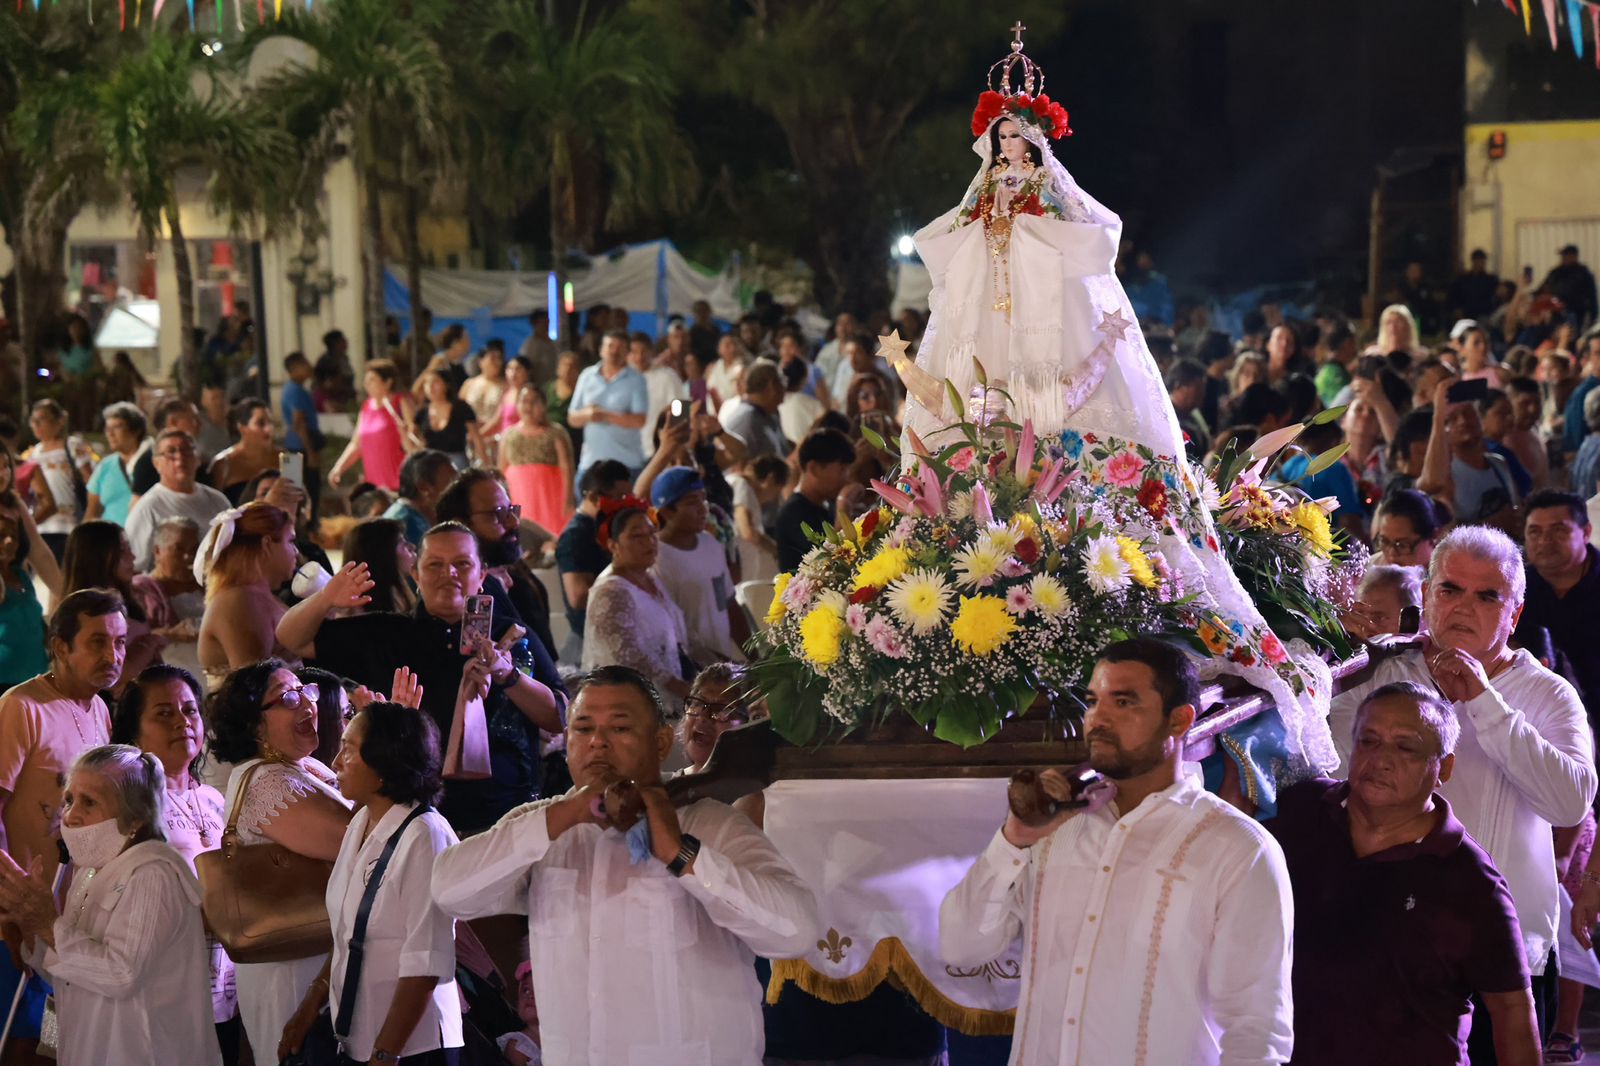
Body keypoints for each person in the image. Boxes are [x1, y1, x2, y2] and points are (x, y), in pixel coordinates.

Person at [430, 666, 818, 1065]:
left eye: (618, 728)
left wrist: (683, 856)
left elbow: (797, 932)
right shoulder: (543, 826)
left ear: (662, 742)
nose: (597, 742)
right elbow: (448, 890)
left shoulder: (708, 823)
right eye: (583, 729)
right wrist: (560, 818)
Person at [939, 637, 1294, 1065]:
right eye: (1093, 701)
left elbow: (1256, 1031)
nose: (1099, 719)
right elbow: (961, 948)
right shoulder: (1054, 828)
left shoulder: (1237, 848)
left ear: (1179, 721)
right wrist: (1013, 839)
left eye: (1124, 703)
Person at [1331, 526, 1597, 1053]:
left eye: (1488, 596)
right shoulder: (1376, 677)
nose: (1463, 607)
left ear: (1515, 614)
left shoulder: (1548, 694)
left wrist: (1484, 701)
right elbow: (1322, 767)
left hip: (1505, 956)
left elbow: (1571, 802)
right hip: (1381, 943)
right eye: (1450, 589)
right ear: (1427, 596)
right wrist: (1331, 659)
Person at [1270, 682, 1539, 1066]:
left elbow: (1512, 1010)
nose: (1380, 759)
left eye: (1405, 747)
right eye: (1369, 741)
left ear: (1443, 767)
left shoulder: (1471, 880)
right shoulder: (1300, 813)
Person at [275, 523, 566, 835]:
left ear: (482, 575)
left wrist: (509, 677)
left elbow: (557, 717)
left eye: (462, 564)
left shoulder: (511, 635)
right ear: (416, 575)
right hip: (414, 823)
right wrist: (327, 597)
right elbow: (291, 638)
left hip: (507, 818)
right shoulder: (389, 634)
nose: (448, 573)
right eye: (435, 565)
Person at [0, 744, 224, 1065]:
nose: (71, 815)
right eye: (69, 800)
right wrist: (28, 934)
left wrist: (48, 923)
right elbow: (73, 972)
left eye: (89, 802)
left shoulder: (153, 874)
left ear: (135, 818)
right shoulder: (90, 871)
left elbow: (120, 975)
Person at [279, 701, 464, 1066]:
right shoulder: (364, 821)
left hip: (413, 1046)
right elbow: (350, 933)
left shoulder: (425, 836)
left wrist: (385, 1052)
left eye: (348, 750)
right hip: (359, 1035)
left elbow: (425, 962)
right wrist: (309, 1008)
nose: (335, 763)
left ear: (383, 764)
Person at [208, 660, 353, 1060]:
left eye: (305, 691)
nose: (307, 704)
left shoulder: (304, 767)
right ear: (255, 724)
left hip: (319, 954)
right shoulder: (267, 780)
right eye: (288, 698)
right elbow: (357, 840)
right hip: (291, 962)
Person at [112, 664, 239, 1059]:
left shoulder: (216, 801)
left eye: (190, 710)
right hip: (163, 997)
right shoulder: (126, 811)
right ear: (134, 732)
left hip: (226, 997)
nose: (182, 722)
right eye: (163, 713)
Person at [580, 501, 694, 718]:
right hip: (631, 706)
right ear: (613, 545)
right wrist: (681, 688)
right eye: (636, 536)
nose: (649, 542)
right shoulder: (611, 590)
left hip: (666, 701)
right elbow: (630, 656)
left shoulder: (650, 579)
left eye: (651, 533)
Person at [433, 469, 561, 661]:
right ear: (461, 525)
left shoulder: (514, 569)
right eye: (497, 514)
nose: (513, 522)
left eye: (511, 511)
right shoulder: (459, 594)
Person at [652, 467, 749, 664]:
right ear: (667, 511)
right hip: (688, 672)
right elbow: (672, 632)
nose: (703, 508)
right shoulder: (656, 559)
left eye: (702, 498)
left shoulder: (710, 543)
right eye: (691, 502)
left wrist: (754, 657)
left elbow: (728, 603)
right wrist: (720, 665)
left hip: (723, 666)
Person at [1518, 492, 1600, 725]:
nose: (1544, 541)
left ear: (1586, 533)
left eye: (1559, 530)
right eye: (1535, 532)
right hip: (1541, 718)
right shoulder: (1515, 590)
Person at [197, 502, 301, 680]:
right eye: (290, 541)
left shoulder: (255, 595)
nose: (296, 552)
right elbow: (255, 684)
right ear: (267, 544)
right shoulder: (240, 601)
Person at [60, 521, 164, 693]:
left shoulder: (128, 598)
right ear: (97, 557)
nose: (133, 557)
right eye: (122, 552)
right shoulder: (85, 612)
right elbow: (115, 674)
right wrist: (151, 643)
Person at [1418, 377, 1525, 534]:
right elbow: (1442, 533)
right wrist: (1489, 525)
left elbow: (1517, 511)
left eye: (1468, 413)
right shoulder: (1446, 475)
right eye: (1452, 419)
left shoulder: (1499, 464)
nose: (1463, 421)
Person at [125, 429, 233, 572]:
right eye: (171, 452)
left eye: (186, 450)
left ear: (197, 459)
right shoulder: (148, 507)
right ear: (156, 463)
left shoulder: (217, 500)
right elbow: (133, 567)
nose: (179, 457)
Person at [0, 448, 62, 690]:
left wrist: (69, 596)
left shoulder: (14, 502)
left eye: (5, 466)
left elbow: (40, 552)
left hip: (20, 585)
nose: (2, 473)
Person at [555, 459, 632, 642]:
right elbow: (579, 597)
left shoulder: (604, 527)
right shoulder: (575, 536)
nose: (627, 506)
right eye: (620, 498)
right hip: (592, 639)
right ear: (594, 497)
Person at [568, 329, 648, 482]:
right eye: (610, 346)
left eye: (620, 348)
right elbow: (572, 417)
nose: (614, 352)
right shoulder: (587, 376)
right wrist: (588, 415)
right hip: (591, 463)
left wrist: (604, 415)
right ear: (601, 350)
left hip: (627, 463)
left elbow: (640, 420)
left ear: (627, 352)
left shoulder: (640, 379)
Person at [500, 384, 575, 539]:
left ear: (543, 405)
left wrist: (568, 500)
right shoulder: (509, 434)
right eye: (524, 401)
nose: (528, 406)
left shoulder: (556, 432)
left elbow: (567, 467)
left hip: (549, 497)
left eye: (534, 401)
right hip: (519, 495)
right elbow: (501, 468)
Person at [25, 398, 95, 561]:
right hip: (42, 527)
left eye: (41, 419)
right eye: (33, 420)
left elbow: (91, 482)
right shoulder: (33, 454)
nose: (36, 425)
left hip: (69, 525)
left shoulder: (72, 446)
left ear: (59, 422)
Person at [775, 429, 854, 572]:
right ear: (814, 468)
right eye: (842, 469)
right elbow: (833, 559)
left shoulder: (826, 504)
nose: (847, 478)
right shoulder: (794, 512)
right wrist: (844, 502)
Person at [330, 359, 412, 493]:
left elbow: (412, 438)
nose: (366, 384)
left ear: (388, 382)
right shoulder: (366, 407)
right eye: (366, 380)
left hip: (398, 483)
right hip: (374, 486)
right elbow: (356, 444)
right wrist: (339, 468)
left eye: (372, 380)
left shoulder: (399, 403)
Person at [130, 515, 205, 633]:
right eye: (179, 549)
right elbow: (133, 637)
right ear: (157, 551)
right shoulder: (140, 589)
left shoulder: (206, 583)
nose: (188, 557)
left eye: (194, 549)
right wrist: (171, 634)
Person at [679, 662, 757, 773]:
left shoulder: (768, 789)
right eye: (698, 703)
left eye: (721, 709)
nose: (703, 716)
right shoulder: (664, 787)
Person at [726, 454, 787, 585]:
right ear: (770, 479)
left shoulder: (745, 490)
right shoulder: (740, 484)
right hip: (737, 572)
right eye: (777, 492)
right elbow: (747, 532)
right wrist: (777, 551)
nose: (773, 499)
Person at [85, 401, 149, 526]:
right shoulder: (105, 466)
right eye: (107, 428)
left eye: (117, 427)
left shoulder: (152, 463)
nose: (110, 433)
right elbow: (92, 513)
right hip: (110, 541)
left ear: (136, 430)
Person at [128, 397, 206, 498]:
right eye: (193, 419)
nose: (199, 424)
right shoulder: (147, 464)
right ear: (172, 422)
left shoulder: (198, 458)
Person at [412, 366, 486, 470]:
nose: (430, 387)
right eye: (427, 383)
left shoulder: (461, 408)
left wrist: (486, 465)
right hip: (430, 464)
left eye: (435, 382)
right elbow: (412, 437)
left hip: (456, 462)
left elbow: (476, 438)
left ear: (446, 385)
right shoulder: (422, 412)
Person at [341, 517, 419, 615]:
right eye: (402, 543)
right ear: (382, 553)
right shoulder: (358, 611)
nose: (412, 546)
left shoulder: (398, 595)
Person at [384, 449, 458, 548]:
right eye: (452, 482)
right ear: (424, 487)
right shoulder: (401, 526)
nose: (459, 489)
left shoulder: (420, 516)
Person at [209, 399, 278, 505]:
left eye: (270, 422)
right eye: (261, 423)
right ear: (242, 427)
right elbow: (214, 505)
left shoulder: (286, 458)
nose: (268, 429)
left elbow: (300, 500)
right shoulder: (224, 463)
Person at [280, 351, 324, 517]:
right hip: (300, 448)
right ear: (295, 368)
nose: (309, 366)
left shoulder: (293, 389)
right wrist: (311, 451)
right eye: (304, 363)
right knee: (307, 492)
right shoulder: (295, 391)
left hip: (296, 446)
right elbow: (299, 422)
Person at [722, 360, 788, 460]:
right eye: (782, 380)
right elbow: (736, 467)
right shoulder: (746, 420)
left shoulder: (771, 412)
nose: (785, 385)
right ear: (772, 386)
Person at [1539, 245, 1598, 329]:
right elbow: (1543, 288)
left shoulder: (1584, 274)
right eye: (1563, 255)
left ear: (1574, 256)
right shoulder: (1556, 273)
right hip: (1555, 313)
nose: (1563, 258)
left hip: (1577, 313)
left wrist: (1593, 318)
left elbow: (1592, 297)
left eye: (1566, 255)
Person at [462, 342, 509, 430]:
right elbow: (458, 411)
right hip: (470, 433)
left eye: (500, 358)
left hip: (494, 435)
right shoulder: (469, 384)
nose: (497, 362)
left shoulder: (507, 386)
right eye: (493, 358)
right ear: (481, 361)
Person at [1451, 248, 1503, 321]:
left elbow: (1497, 297)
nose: (1481, 264)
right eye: (1478, 261)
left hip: (1485, 314)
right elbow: (1455, 296)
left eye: (1483, 261)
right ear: (1473, 261)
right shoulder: (1462, 279)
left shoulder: (1491, 280)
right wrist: (1458, 310)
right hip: (1466, 314)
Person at [704, 332, 750, 412]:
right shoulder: (712, 368)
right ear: (719, 349)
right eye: (727, 345)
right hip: (712, 414)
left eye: (734, 344)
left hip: (733, 413)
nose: (732, 348)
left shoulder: (743, 369)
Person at [519, 310, 559, 385]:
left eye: (548, 322)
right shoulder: (530, 345)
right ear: (535, 324)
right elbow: (526, 368)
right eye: (544, 323)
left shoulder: (552, 343)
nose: (547, 325)